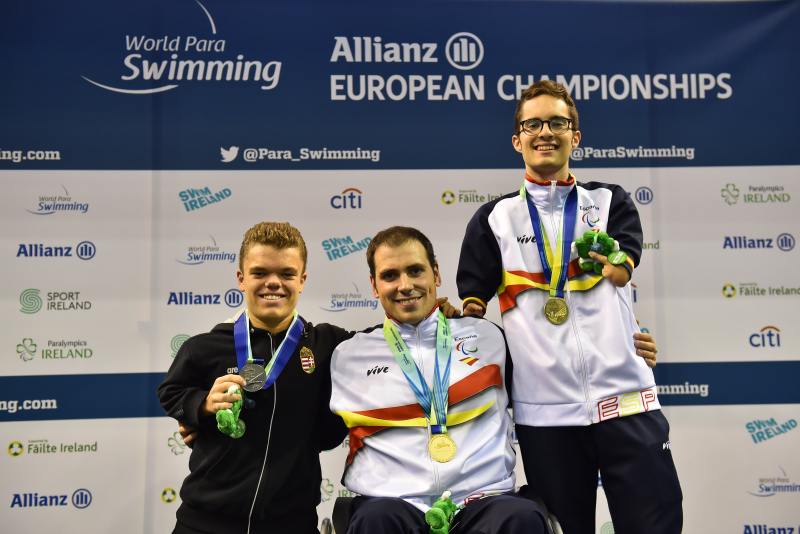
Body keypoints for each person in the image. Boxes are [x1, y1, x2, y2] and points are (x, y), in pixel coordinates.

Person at [456, 80, 682, 533]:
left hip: (626, 399)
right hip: (546, 412)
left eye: (558, 122)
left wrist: (617, 275)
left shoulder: (610, 201)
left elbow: (623, 270)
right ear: (517, 139)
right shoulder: (493, 220)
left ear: (575, 136)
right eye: (532, 123)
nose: (545, 132)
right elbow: (472, 316)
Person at [159, 222, 460, 534]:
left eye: (287, 274)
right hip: (204, 521)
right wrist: (201, 406)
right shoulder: (206, 346)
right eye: (260, 273)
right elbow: (171, 393)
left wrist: (438, 318)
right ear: (241, 279)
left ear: (302, 280)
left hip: (292, 522)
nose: (273, 283)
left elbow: (390, 341)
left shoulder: (330, 345)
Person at [330, 226, 549, 534]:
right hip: (393, 504)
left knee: (520, 517)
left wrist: (634, 355)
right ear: (374, 285)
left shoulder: (490, 338)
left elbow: (554, 383)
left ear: (436, 273)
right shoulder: (347, 355)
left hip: (482, 501)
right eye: (390, 275)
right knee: (374, 521)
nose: (405, 285)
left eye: (415, 271)